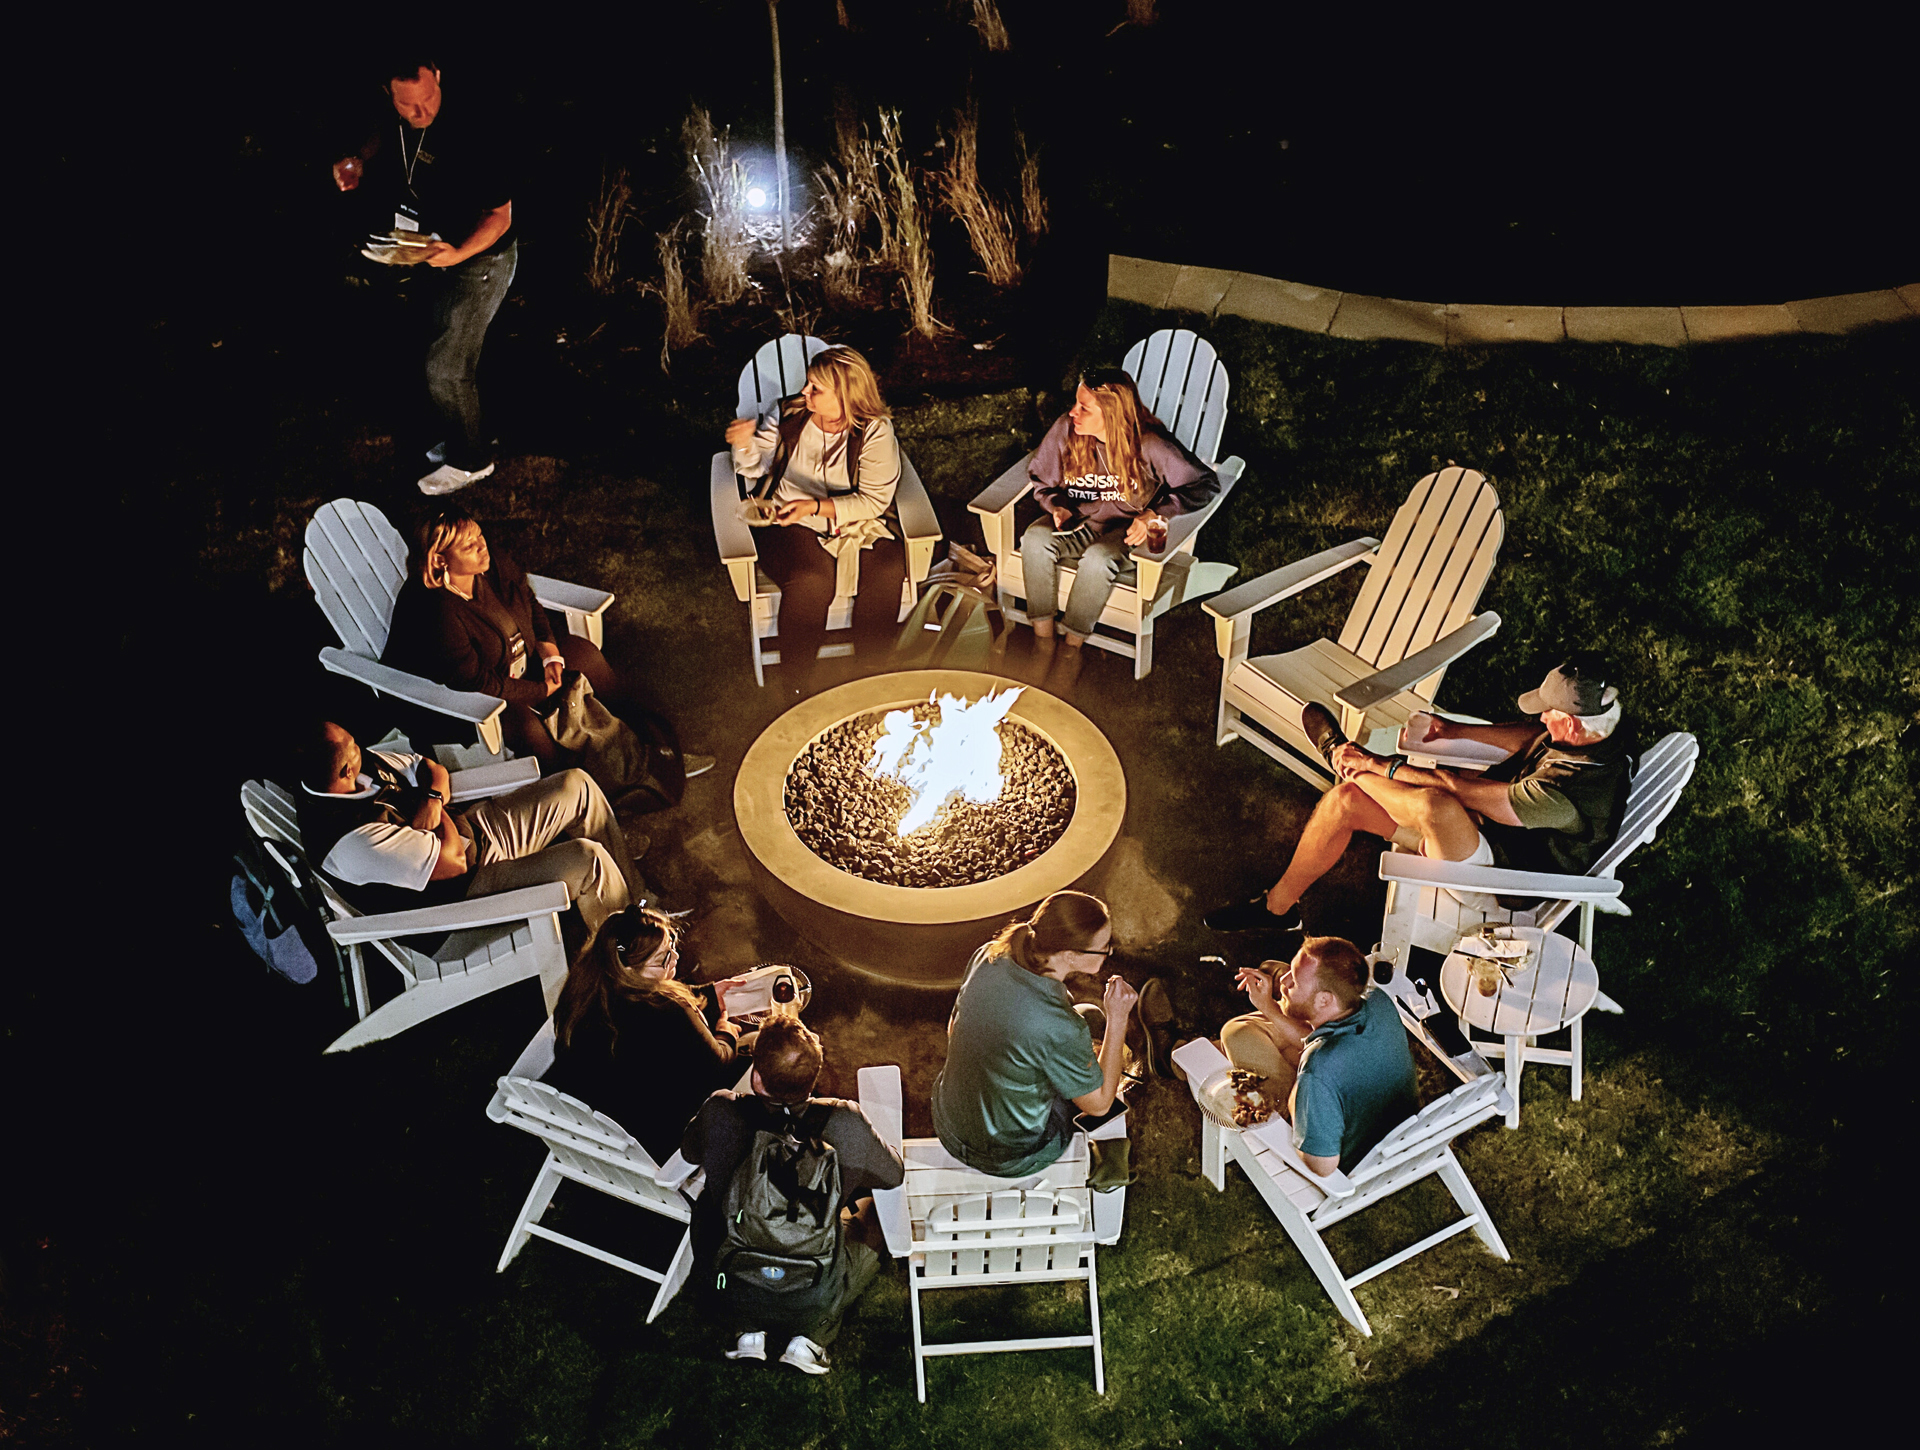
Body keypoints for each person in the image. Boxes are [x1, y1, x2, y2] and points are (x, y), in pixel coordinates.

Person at [1206, 653, 1640, 932]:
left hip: (1502, 878)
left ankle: (1341, 757)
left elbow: (1462, 791)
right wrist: (1454, 729)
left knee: (1438, 803)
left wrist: (1379, 765)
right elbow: (1529, 738)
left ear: (1573, 724)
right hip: (1489, 838)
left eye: (1551, 713)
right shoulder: (1600, 735)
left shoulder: (1563, 794)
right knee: (1345, 803)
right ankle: (1276, 910)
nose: (1543, 717)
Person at [382, 508, 711, 791]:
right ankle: (590, 803)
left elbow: (528, 600)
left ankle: (656, 750)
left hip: (511, 663)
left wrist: (550, 652)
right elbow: (474, 682)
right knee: (528, 729)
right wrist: (538, 690)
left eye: (479, 535)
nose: (481, 545)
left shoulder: (489, 563)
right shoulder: (435, 611)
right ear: (439, 560)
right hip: (450, 700)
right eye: (469, 545)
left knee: (585, 656)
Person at [295, 721, 641, 960]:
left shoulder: (351, 769)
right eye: (354, 747)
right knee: (587, 860)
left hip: (473, 836)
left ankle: (641, 908)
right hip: (459, 908)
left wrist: (431, 800)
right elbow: (453, 863)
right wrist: (432, 804)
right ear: (344, 773)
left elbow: (432, 770)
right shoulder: (351, 841)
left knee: (575, 786)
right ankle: (635, 964)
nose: (360, 744)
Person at [680, 1013, 905, 1376]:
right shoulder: (845, 1120)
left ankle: (748, 1331)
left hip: (730, 1277)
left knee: (711, 1211)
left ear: (756, 1075)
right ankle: (811, 1336)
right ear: (815, 1077)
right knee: (876, 1213)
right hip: (812, 1289)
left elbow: (690, 1152)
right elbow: (893, 1175)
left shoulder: (722, 1110)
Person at [332, 56, 517, 497]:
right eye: (409, 106)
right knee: (435, 347)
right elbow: (384, 135)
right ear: (390, 96)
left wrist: (458, 254)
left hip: (481, 259)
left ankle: (472, 461)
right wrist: (359, 159)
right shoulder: (398, 119)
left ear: (438, 75)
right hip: (435, 249)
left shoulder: (477, 131)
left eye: (429, 100)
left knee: (447, 365)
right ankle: (462, 436)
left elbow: (501, 217)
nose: (422, 114)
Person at [724, 346, 907, 695]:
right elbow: (755, 467)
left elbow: (874, 500)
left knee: (887, 569)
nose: (804, 393)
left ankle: (872, 678)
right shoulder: (791, 413)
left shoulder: (874, 431)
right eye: (807, 384)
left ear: (846, 395)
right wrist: (745, 445)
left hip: (854, 520)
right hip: (787, 518)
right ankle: (796, 687)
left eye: (815, 389)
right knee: (811, 580)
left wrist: (816, 506)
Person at [1020, 368, 1219, 686]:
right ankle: (1043, 642)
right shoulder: (1067, 430)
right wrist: (1055, 505)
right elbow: (1042, 477)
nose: (1073, 412)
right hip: (1078, 523)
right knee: (1034, 539)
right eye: (1076, 403)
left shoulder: (1151, 445)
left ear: (1112, 414)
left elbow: (1205, 484)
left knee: (1099, 559)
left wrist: (1156, 513)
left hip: (1127, 534)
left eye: (1085, 408)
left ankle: (1071, 650)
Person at [931, 891, 1141, 1179]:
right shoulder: (1059, 1026)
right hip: (1011, 1154)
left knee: (1086, 1017)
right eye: (1104, 947)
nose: (1109, 952)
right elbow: (1100, 1105)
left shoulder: (990, 953)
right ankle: (1108, 1161)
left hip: (949, 1120)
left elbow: (954, 1028)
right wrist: (1118, 1017)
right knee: (1094, 1030)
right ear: (1070, 955)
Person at [545, 907, 747, 1164]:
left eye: (671, 946)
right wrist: (726, 1032)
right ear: (629, 970)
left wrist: (709, 994)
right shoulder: (668, 1009)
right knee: (752, 1046)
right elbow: (717, 1062)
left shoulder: (587, 989)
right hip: (657, 1139)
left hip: (605, 1119)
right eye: (662, 959)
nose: (675, 958)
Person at [1217, 936, 1418, 1176]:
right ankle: (1201, 1050)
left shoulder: (1317, 1072)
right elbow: (1322, 1040)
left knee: (1236, 1034)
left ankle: (1180, 1057)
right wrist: (1268, 1007)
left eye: (1294, 980)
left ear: (1325, 1000)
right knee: (1247, 1025)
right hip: (1382, 1119)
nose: (1283, 980)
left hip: (1341, 1155)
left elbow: (1323, 1167)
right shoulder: (1378, 1003)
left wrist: (1294, 1101)